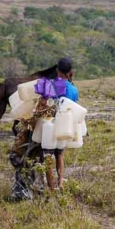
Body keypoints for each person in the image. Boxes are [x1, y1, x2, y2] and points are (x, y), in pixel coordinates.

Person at [47, 57, 79, 189]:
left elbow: (44, 103)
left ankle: (50, 186)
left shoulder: (51, 85)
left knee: (47, 155)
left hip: (51, 124)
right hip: (65, 126)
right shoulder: (73, 89)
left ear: (57, 70)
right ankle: (60, 182)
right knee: (59, 153)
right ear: (70, 72)